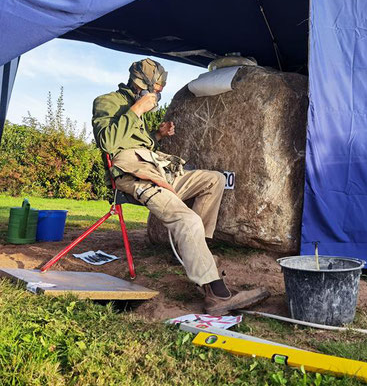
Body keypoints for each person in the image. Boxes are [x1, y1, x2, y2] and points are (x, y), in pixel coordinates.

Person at [92, 58, 269, 315]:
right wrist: (136, 110)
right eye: (157, 90)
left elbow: (138, 145)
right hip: (135, 176)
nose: (157, 95)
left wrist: (158, 136)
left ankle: (200, 251)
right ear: (142, 84)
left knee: (214, 180)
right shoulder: (107, 102)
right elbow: (108, 143)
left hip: (157, 169)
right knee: (187, 221)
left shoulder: (136, 108)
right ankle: (215, 293)